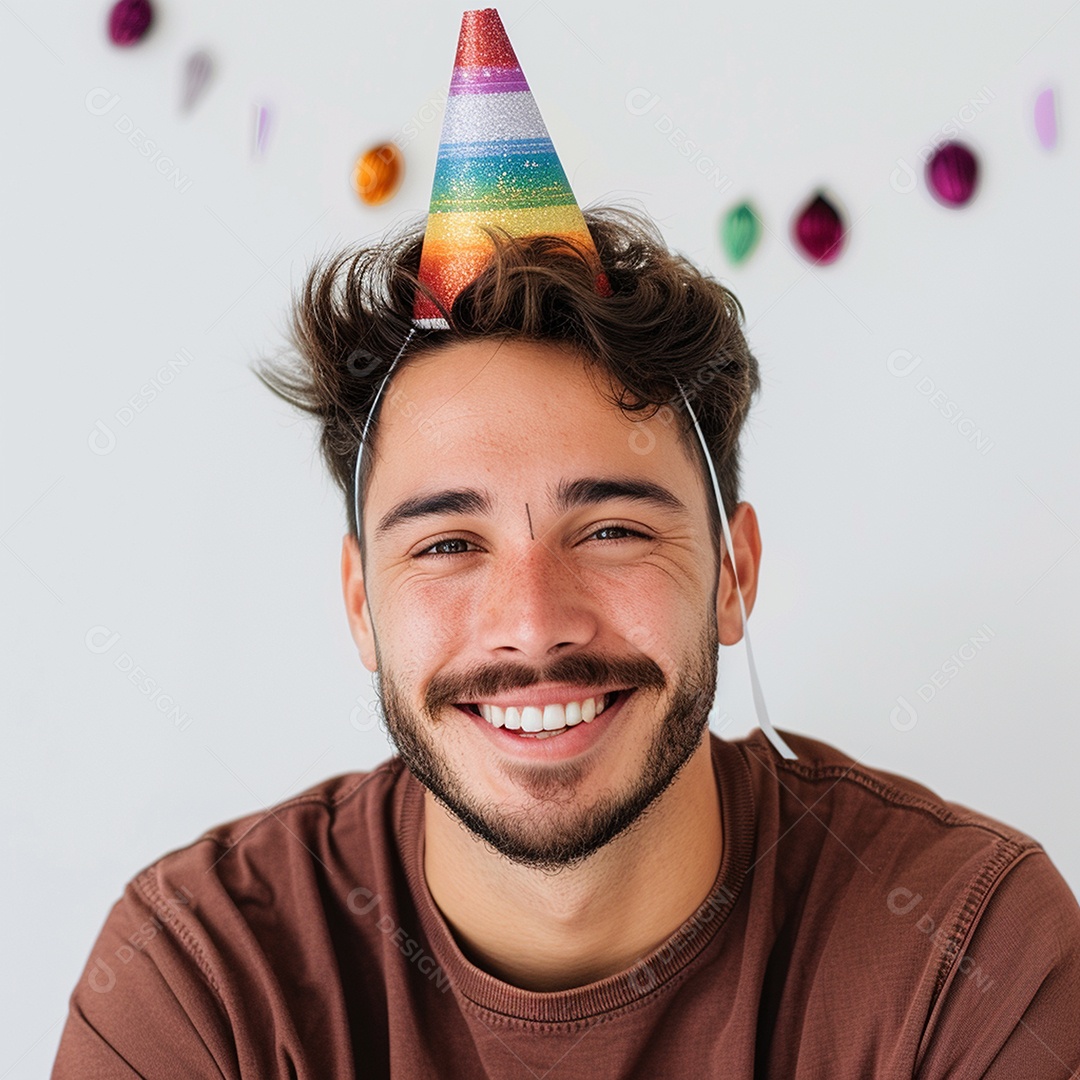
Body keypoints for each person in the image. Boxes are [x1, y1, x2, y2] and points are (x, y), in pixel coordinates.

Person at [53, 9, 1080, 1078]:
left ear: (735, 575)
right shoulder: (204, 978)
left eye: (612, 528)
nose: (533, 622)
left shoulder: (967, 957)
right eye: (450, 543)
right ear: (360, 603)